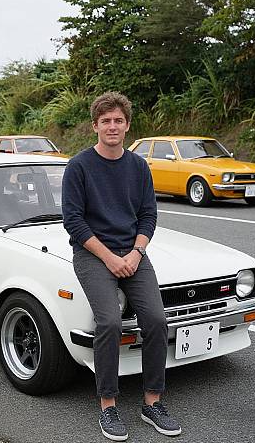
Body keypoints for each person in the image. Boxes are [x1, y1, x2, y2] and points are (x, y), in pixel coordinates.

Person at [62, 92, 181, 441]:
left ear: (127, 126)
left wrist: (136, 253)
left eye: (118, 120)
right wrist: (110, 258)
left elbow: (148, 215)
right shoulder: (79, 166)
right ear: (95, 126)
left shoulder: (138, 166)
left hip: (133, 254)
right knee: (110, 322)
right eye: (105, 121)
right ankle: (109, 406)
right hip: (92, 254)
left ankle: (152, 403)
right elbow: (74, 221)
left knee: (157, 320)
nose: (112, 126)